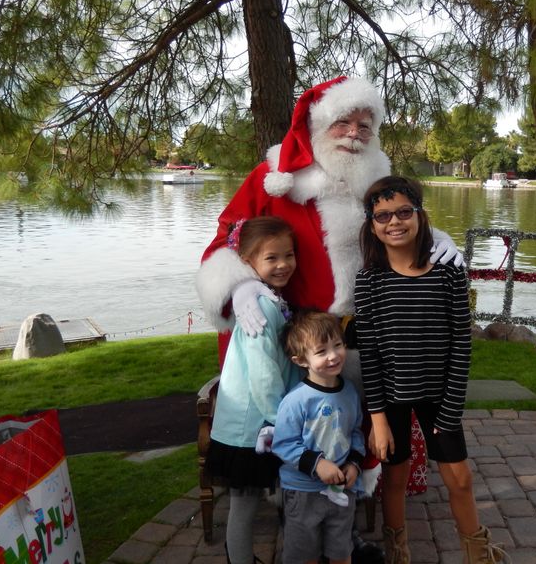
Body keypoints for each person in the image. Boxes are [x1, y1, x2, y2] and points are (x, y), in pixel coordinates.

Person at [195, 76, 463, 544]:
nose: (355, 132)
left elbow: (399, 221)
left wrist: (435, 239)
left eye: (366, 123)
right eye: (344, 120)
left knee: (354, 429)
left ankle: (344, 525)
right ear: (320, 124)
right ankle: (302, 526)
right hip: (297, 340)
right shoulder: (273, 177)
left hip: (364, 338)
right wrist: (237, 287)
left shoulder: (376, 181)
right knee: (303, 433)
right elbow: (226, 238)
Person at [354, 176, 507, 564]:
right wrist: (378, 419)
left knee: (460, 477)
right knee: (395, 478)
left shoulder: (449, 273)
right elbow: (369, 353)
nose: (394, 222)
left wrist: (452, 407)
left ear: (420, 216)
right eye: (383, 215)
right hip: (389, 400)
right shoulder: (369, 280)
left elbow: (461, 342)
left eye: (404, 212)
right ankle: (398, 551)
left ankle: (477, 552)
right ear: (371, 224)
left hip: (440, 397)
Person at [204, 217, 302, 564]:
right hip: (253, 427)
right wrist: (283, 418)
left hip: (257, 423)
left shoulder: (269, 298)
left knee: (255, 500)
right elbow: (262, 372)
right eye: (271, 258)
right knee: (244, 506)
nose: (283, 265)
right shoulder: (259, 307)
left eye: (288, 255)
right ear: (248, 262)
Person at [272, 310, 365, 564]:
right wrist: (317, 464)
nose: (333, 356)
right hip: (303, 494)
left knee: (341, 552)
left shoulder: (350, 393)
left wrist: (354, 464)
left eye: (337, 345)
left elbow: (356, 432)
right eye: (321, 351)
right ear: (301, 360)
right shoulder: (296, 401)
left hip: (342, 490)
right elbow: (283, 444)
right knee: (304, 556)